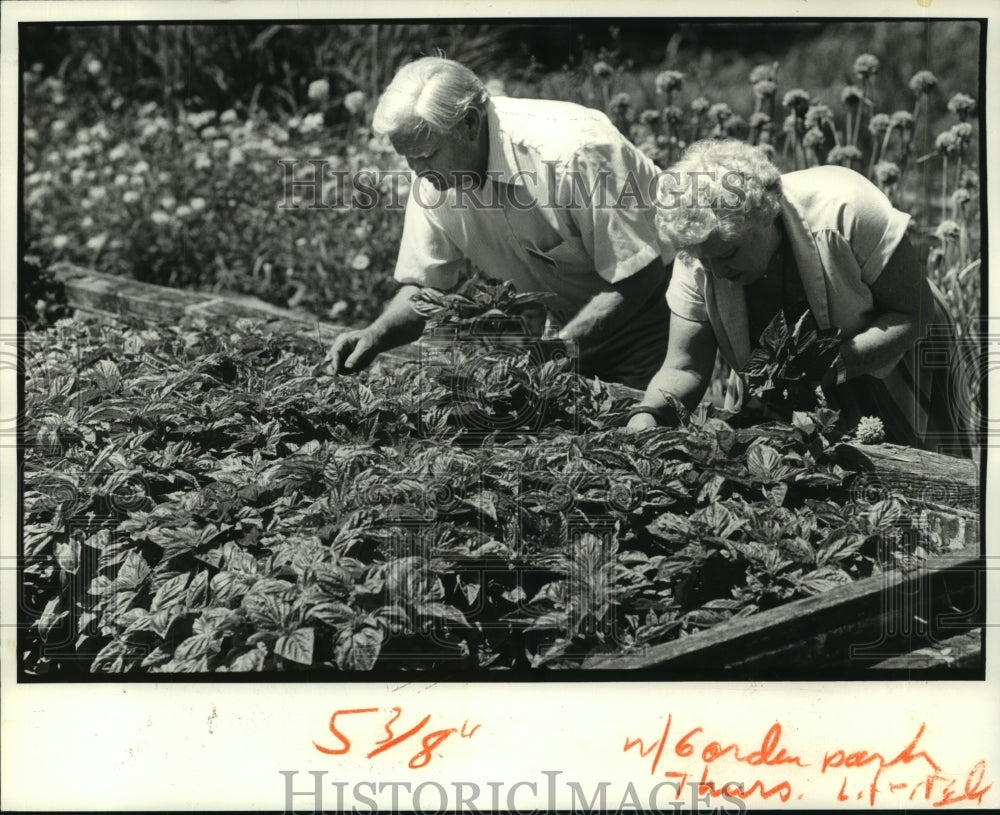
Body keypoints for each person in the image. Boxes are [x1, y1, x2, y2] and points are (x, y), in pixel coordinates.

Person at [327, 57, 675, 389]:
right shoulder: (434, 178)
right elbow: (426, 289)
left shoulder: (572, 153)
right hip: (573, 321)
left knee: (644, 439)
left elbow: (641, 276)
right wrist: (374, 335)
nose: (417, 171)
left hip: (653, 314)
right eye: (408, 158)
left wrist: (552, 353)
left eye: (426, 156)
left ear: (470, 123)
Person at [627, 138, 974, 458]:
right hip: (788, 382)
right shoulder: (701, 252)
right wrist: (647, 414)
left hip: (896, 347)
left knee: (924, 474)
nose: (715, 272)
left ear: (764, 219)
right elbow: (684, 366)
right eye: (704, 260)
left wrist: (829, 369)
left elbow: (913, 312)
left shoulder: (846, 208)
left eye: (728, 256)